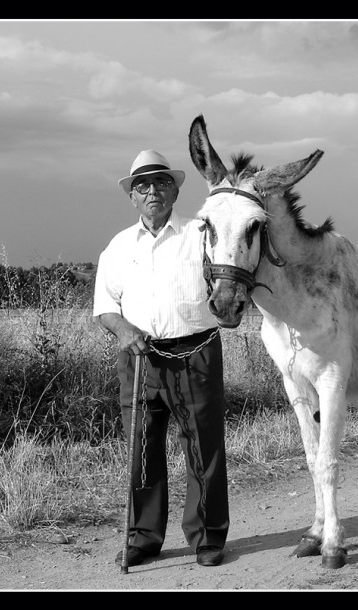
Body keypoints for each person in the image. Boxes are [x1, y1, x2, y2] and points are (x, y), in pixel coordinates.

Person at [93, 149, 229, 569]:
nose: (152, 191)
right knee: (142, 450)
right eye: (142, 185)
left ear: (174, 189)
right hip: (138, 359)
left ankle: (207, 539)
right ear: (132, 196)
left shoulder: (200, 234)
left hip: (196, 354)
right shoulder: (117, 247)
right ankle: (143, 538)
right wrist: (123, 329)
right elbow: (105, 307)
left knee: (203, 448)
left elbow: (229, 273)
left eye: (161, 182)